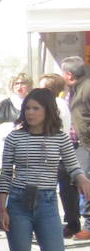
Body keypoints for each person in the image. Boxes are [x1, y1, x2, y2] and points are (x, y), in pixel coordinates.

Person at [0, 88, 90, 251]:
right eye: (27, 108)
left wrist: (83, 179)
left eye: (35, 108)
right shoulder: (14, 138)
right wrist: (2, 208)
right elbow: (5, 174)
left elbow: (73, 166)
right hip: (18, 203)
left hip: (47, 203)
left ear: (48, 110)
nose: (30, 112)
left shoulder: (60, 138)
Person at [41, 73, 82, 238]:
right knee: (66, 192)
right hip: (59, 153)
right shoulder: (58, 103)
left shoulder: (54, 104)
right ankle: (72, 223)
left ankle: (57, 227)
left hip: (54, 154)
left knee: (53, 192)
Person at [64, 57, 90, 240]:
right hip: (71, 143)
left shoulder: (87, 89)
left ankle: (89, 225)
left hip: (85, 143)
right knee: (68, 183)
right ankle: (72, 223)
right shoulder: (73, 89)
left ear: (68, 74)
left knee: (84, 182)